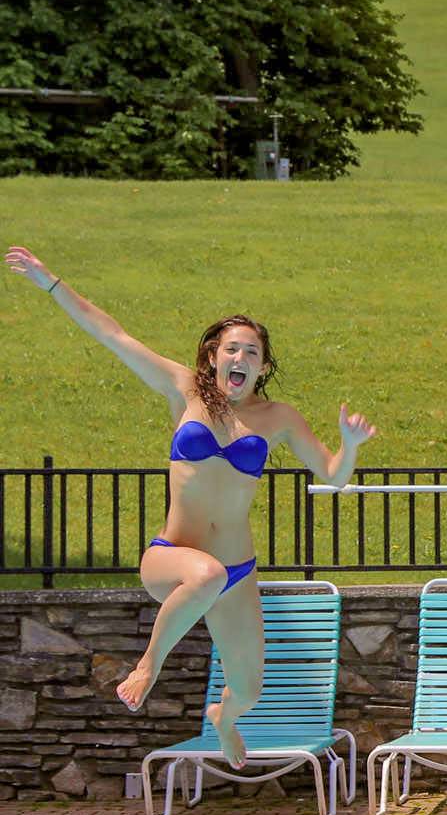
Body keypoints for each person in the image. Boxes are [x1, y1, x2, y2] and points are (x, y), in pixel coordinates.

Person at [6, 245, 376, 767]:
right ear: (212, 356)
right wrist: (49, 282)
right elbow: (112, 334)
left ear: (264, 365)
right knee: (202, 575)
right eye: (231, 350)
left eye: (251, 353)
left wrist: (350, 445)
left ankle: (222, 718)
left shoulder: (279, 418)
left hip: (237, 570)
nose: (240, 359)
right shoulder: (185, 392)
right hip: (172, 557)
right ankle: (147, 667)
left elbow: (333, 476)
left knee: (248, 689)